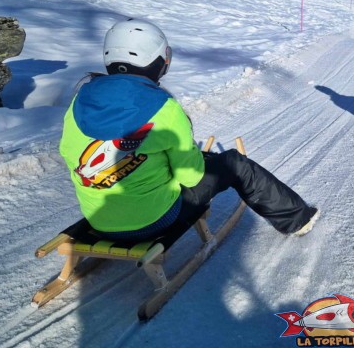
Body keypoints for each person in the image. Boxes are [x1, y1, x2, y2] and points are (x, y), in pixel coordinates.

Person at [59, 18, 319, 242]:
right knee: (234, 164)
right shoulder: (165, 108)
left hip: (99, 220)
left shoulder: (79, 101)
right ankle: (297, 220)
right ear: (160, 60)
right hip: (154, 222)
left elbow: (71, 154)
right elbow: (191, 178)